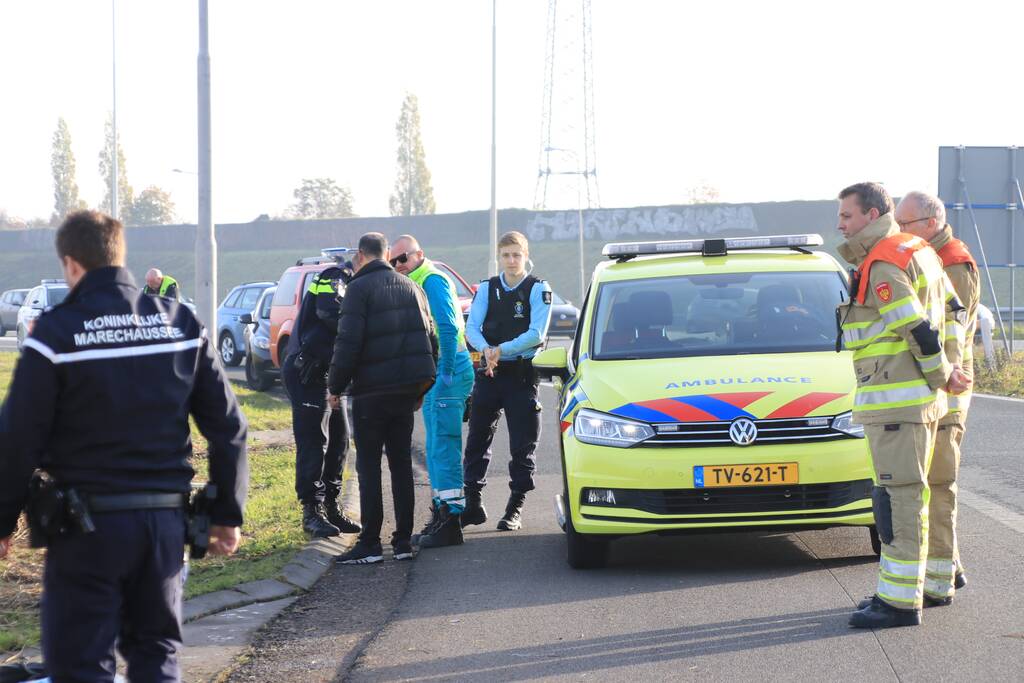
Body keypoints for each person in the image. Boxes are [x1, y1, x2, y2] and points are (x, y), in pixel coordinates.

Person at [0, 210, 248, 681]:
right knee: (156, 653)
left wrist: (2, 519)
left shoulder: (55, 334)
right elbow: (229, 426)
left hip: (86, 529)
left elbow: (17, 438)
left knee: (81, 663)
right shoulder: (181, 324)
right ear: (119, 255)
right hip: (165, 526)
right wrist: (225, 513)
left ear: (72, 264)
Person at [835, 183, 969, 629]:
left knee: (898, 501)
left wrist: (942, 372)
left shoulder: (884, 260)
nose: (841, 225)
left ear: (872, 214)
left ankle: (896, 602)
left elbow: (913, 325)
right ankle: (929, 585)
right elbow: (955, 311)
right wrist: (948, 370)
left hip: (897, 402)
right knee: (916, 495)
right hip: (918, 402)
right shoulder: (922, 250)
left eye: (847, 217)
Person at [328, 233, 437, 564]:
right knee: (401, 464)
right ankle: (403, 541)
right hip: (406, 392)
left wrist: (335, 386)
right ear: (387, 254)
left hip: (371, 394)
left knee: (369, 465)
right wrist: (421, 389)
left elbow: (348, 343)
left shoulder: (358, 289)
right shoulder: (412, 287)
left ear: (360, 255)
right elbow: (431, 339)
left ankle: (371, 542)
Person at [895, 190, 979, 600]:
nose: (899, 231)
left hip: (948, 388)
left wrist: (946, 380)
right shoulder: (930, 255)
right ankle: (950, 567)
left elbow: (955, 333)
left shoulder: (952, 261)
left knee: (938, 483)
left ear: (930, 223)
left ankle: (939, 579)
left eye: (905, 224)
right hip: (938, 385)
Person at [389, 234, 475, 548]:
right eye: (392, 261)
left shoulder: (432, 280)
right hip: (433, 371)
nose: (398, 266)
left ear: (419, 254)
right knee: (435, 447)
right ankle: (441, 512)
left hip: (446, 368)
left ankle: (452, 519)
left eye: (402, 259)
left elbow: (449, 329)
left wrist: (447, 371)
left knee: (444, 446)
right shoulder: (415, 280)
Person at [463, 231, 553, 531]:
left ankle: (514, 508)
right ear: (499, 257)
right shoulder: (488, 288)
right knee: (477, 438)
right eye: (506, 255)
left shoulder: (538, 289)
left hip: (520, 375)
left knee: (522, 444)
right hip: (489, 373)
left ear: (525, 256)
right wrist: (486, 349)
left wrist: (501, 349)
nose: (511, 260)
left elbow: (536, 334)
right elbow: (472, 328)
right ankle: (473, 503)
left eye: (516, 254)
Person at [282, 255, 361, 538]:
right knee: (315, 441)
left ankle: (331, 506)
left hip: (332, 376)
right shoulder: (334, 275)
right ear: (361, 258)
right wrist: (359, 330)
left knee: (340, 441)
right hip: (308, 373)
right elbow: (329, 311)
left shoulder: (355, 284)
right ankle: (311, 511)